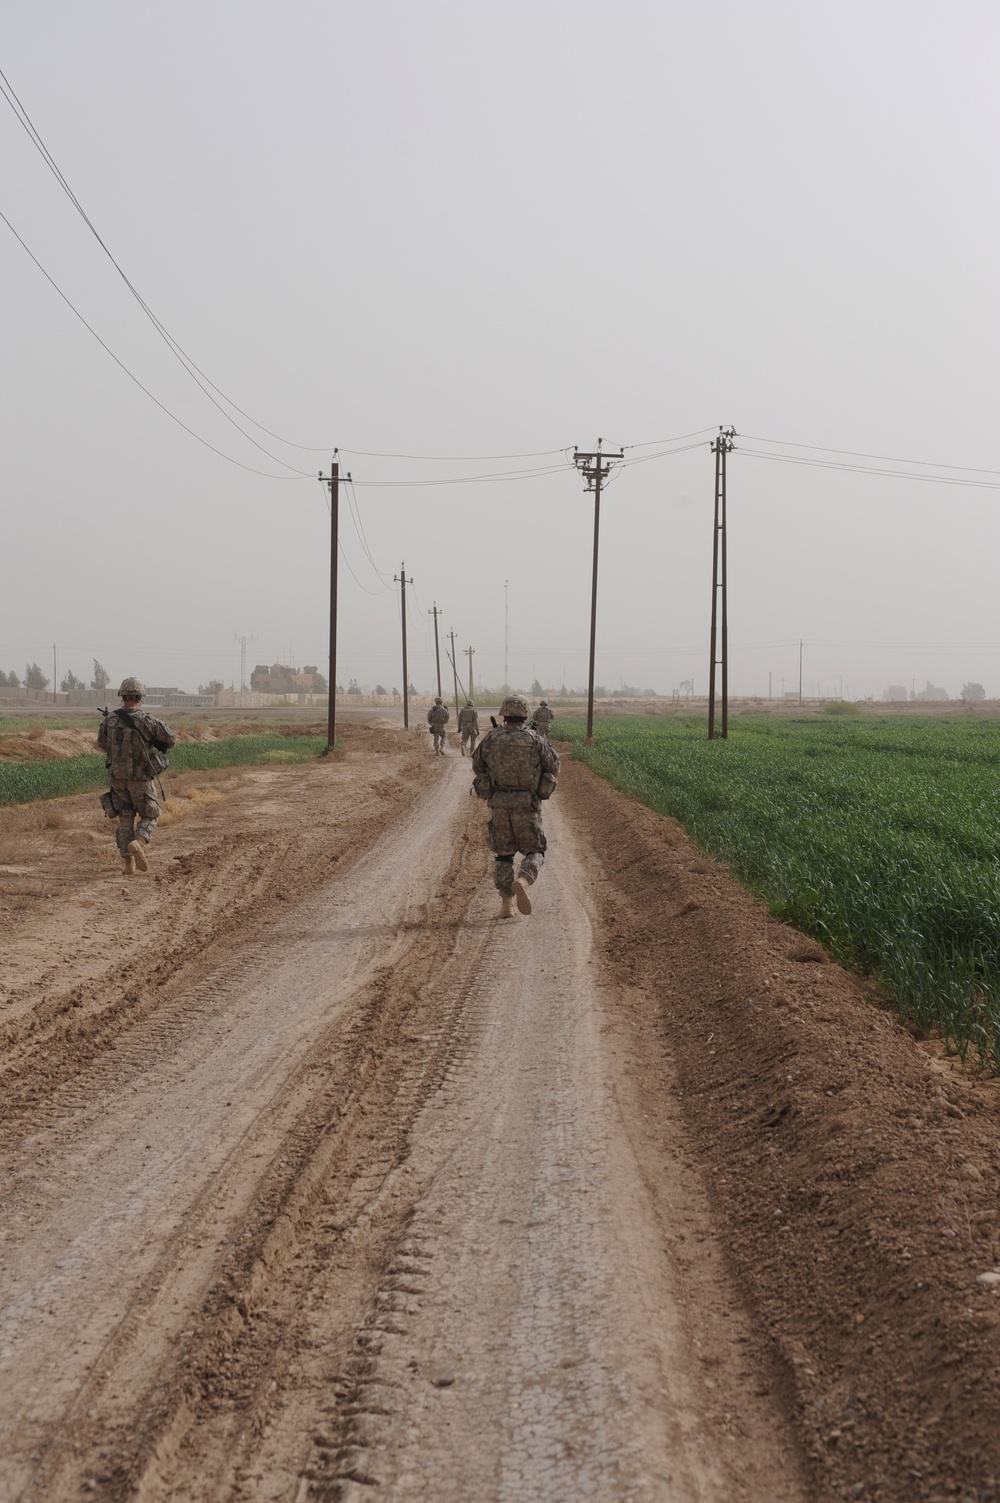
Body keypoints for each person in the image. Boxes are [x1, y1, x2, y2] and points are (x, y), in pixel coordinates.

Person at [472, 694, 559, 919]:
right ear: (525, 715)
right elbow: (553, 766)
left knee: (503, 855)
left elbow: (477, 764)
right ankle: (524, 879)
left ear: (504, 714)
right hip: (527, 805)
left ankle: (506, 905)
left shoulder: (491, 739)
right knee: (535, 850)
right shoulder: (536, 740)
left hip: (499, 805)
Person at [97, 677, 176, 876]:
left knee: (125, 818)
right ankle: (138, 842)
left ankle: (128, 864)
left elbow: (102, 743)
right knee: (151, 813)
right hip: (140, 778)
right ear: (140, 697)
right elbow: (171, 739)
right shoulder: (148, 720)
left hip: (117, 778)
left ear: (122, 696)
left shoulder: (110, 720)